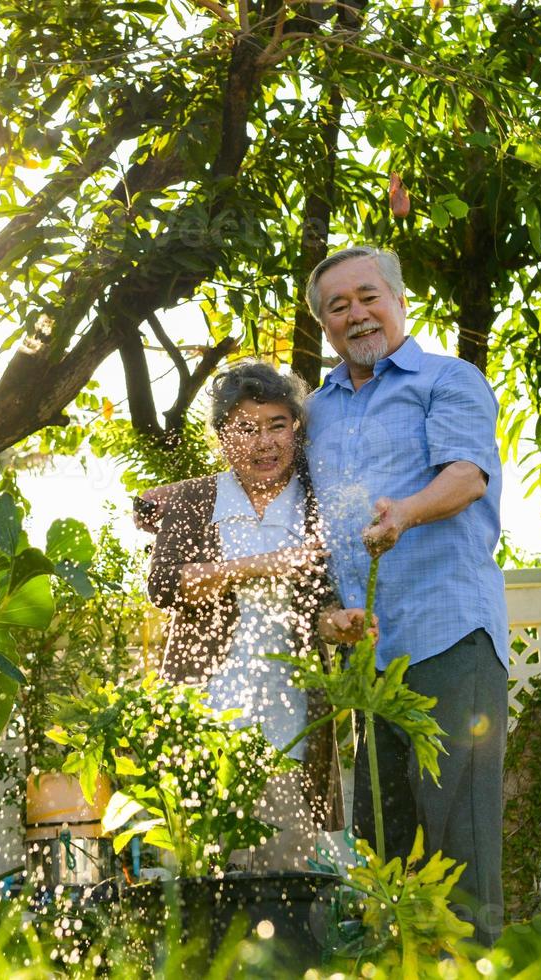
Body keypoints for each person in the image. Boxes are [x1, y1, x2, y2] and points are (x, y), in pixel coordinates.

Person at [303, 245, 508, 943]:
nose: (356, 314)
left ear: (397, 300)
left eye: (368, 297)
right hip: (370, 661)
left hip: (449, 635)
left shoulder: (447, 379)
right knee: (383, 845)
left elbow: (467, 475)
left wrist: (407, 512)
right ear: (326, 326)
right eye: (338, 306)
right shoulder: (316, 415)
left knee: (458, 837)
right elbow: (312, 527)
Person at [145, 360, 368, 870]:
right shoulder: (197, 500)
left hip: (289, 735)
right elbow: (165, 586)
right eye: (246, 428)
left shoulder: (316, 505)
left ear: (296, 430)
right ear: (224, 437)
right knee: (199, 892)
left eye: (277, 425)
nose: (264, 443)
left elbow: (321, 609)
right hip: (201, 731)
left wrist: (339, 625)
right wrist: (263, 565)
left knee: (286, 894)